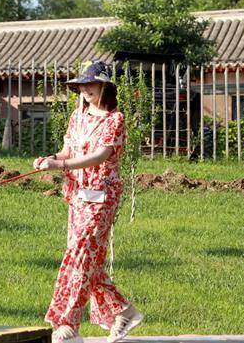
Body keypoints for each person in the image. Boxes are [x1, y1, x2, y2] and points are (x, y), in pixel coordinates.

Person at [33, 60, 143, 343]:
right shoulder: (77, 117)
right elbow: (67, 150)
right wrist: (51, 159)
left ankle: (68, 324)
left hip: (101, 197)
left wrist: (61, 166)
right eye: (82, 85)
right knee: (85, 257)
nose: (85, 90)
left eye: (90, 84)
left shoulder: (115, 120)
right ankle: (125, 311)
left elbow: (101, 156)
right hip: (77, 195)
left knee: (81, 255)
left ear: (104, 86)